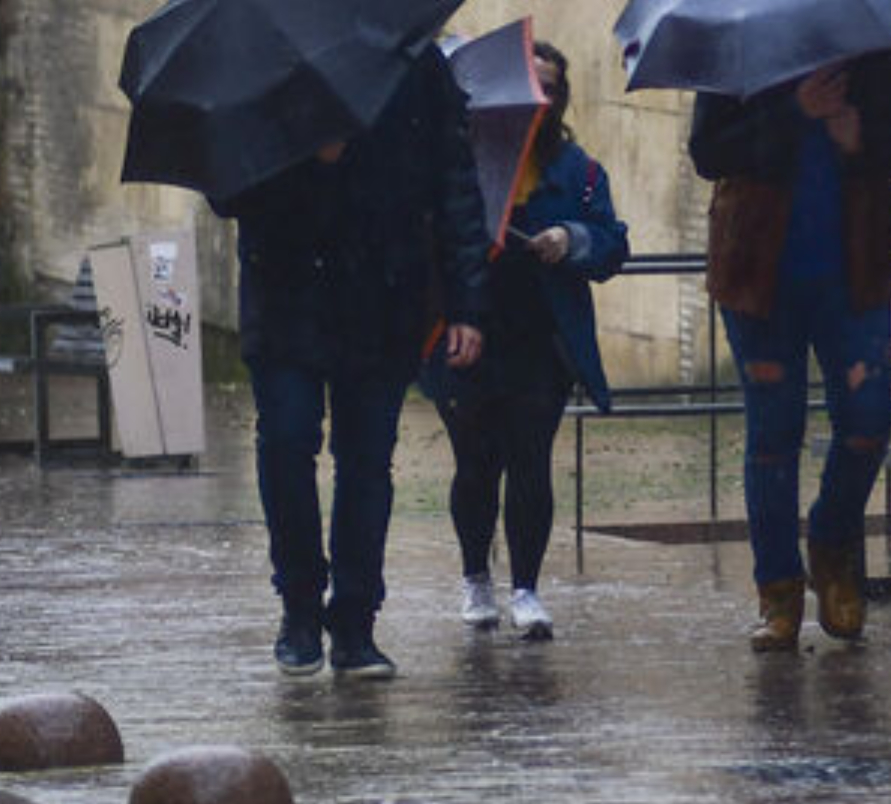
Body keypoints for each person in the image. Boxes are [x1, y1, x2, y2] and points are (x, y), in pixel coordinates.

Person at [211, 42, 491, 680]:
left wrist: (468, 304)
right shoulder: (265, 65)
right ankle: (300, 608)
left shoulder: (416, 65)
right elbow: (225, 192)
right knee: (286, 443)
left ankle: (356, 619)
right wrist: (308, 155)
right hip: (286, 298)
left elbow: (455, 188)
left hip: (382, 298)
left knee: (366, 464)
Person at [688, 45, 891, 650]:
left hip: (855, 266)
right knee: (774, 434)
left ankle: (832, 538)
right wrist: (794, 112)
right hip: (758, 271)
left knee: (868, 422)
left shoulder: (877, 38)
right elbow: (709, 152)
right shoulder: (738, 37)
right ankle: (778, 591)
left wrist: (860, 136)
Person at [422, 40, 630, 641]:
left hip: (540, 332)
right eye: (533, 85)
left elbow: (612, 241)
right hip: (469, 326)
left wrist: (570, 239)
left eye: (553, 88)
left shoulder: (576, 169)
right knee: (476, 462)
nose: (542, 98)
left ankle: (526, 588)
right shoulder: (464, 158)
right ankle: (475, 579)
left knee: (531, 461)